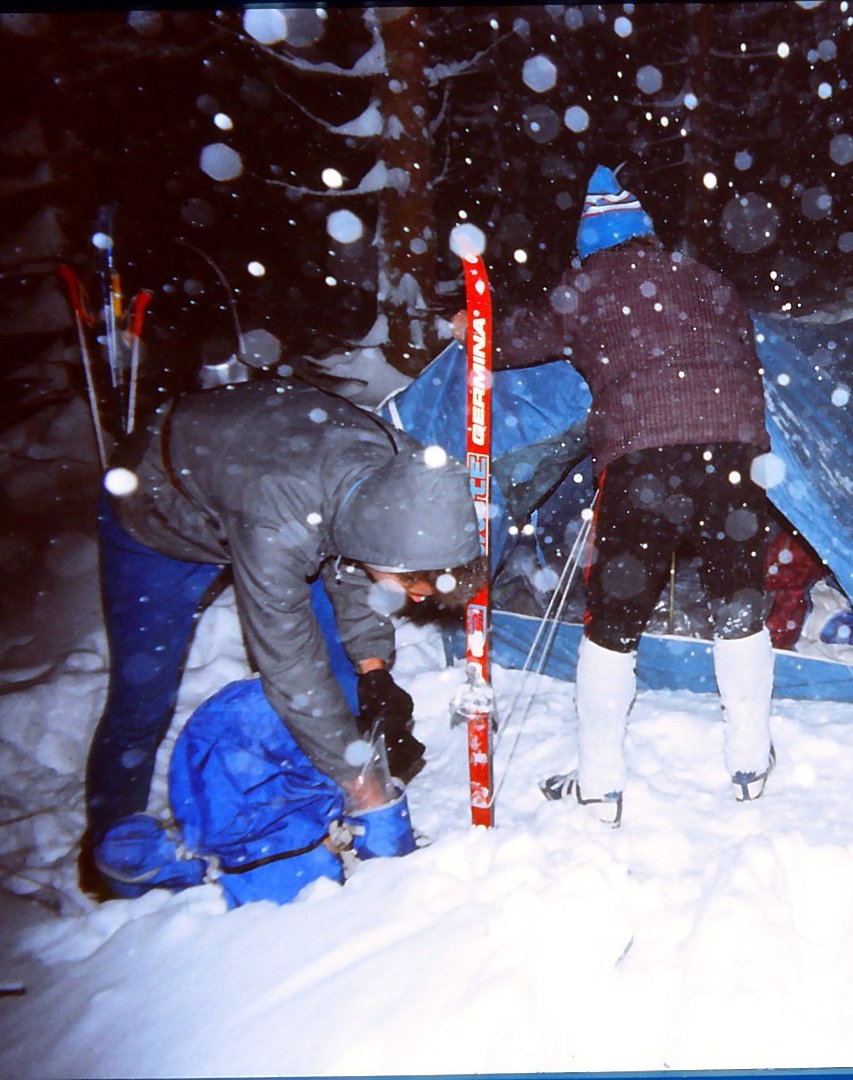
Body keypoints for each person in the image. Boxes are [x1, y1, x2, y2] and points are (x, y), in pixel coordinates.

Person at [82, 377, 485, 897]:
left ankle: (319, 808)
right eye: (415, 583)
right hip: (157, 510)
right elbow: (289, 664)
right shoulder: (278, 521)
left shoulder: (400, 475)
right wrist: (362, 778)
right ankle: (114, 854)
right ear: (392, 559)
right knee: (142, 698)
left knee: (341, 672)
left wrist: (372, 670)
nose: (423, 597)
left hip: (271, 492)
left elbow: (353, 560)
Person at [484, 163, 778, 826]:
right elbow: (744, 357)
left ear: (590, 244)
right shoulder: (707, 279)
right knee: (740, 609)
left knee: (612, 626)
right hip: (734, 456)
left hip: (644, 461)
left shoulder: (586, 285)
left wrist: (468, 328)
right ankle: (749, 763)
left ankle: (600, 784)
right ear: (645, 233)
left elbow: (510, 341)